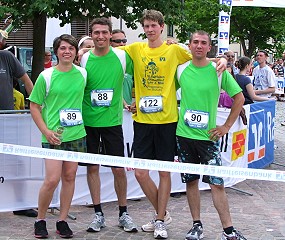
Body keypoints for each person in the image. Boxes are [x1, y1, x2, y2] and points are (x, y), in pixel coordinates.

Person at [120, 10, 227, 239]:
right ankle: (164, 213)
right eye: (146, 26)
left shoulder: (175, 49)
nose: (149, 30)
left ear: (161, 26)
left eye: (153, 26)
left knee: (164, 173)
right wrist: (83, 50)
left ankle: (159, 220)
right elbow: (107, 52)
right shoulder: (136, 49)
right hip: (142, 121)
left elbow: (202, 58)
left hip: (168, 121)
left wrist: (224, 59)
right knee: (140, 173)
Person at [175, 30, 247, 240]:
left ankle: (228, 230)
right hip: (184, 136)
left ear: (209, 47)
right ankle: (196, 225)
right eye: (195, 42)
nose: (198, 45)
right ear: (189, 46)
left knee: (217, 183)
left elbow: (239, 98)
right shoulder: (180, 70)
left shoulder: (219, 70)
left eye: (203, 43)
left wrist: (225, 126)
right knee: (191, 182)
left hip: (208, 138)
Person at [80, 18, 138, 234]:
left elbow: (141, 73)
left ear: (110, 35)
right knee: (92, 168)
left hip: (113, 122)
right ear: (92, 35)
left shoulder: (122, 56)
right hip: (89, 122)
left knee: (118, 168)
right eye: (97, 33)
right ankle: (98, 213)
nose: (101, 36)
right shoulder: (85, 59)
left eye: (105, 32)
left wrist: (134, 99)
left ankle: (123, 212)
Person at [29, 34, 87, 239]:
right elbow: (34, 106)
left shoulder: (82, 73)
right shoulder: (46, 76)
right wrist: (46, 131)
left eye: (71, 48)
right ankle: (40, 219)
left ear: (75, 52)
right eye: (63, 48)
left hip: (76, 134)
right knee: (52, 180)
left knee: (70, 177)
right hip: (53, 136)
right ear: (56, 52)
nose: (67, 52)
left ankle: (62, 220)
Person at [0, 33, 37, 217]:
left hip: (7, 121)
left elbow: (26, 80)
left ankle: (19, 203)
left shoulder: (6, 57)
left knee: (16, 162)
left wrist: (35, 104)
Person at [110, 29, 133, 110]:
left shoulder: (130, 58)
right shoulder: (103, 60)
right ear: (110, 42)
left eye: (124, 41)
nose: (122, 44)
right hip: (109, 109)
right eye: (118, 41)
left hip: (127, 110)